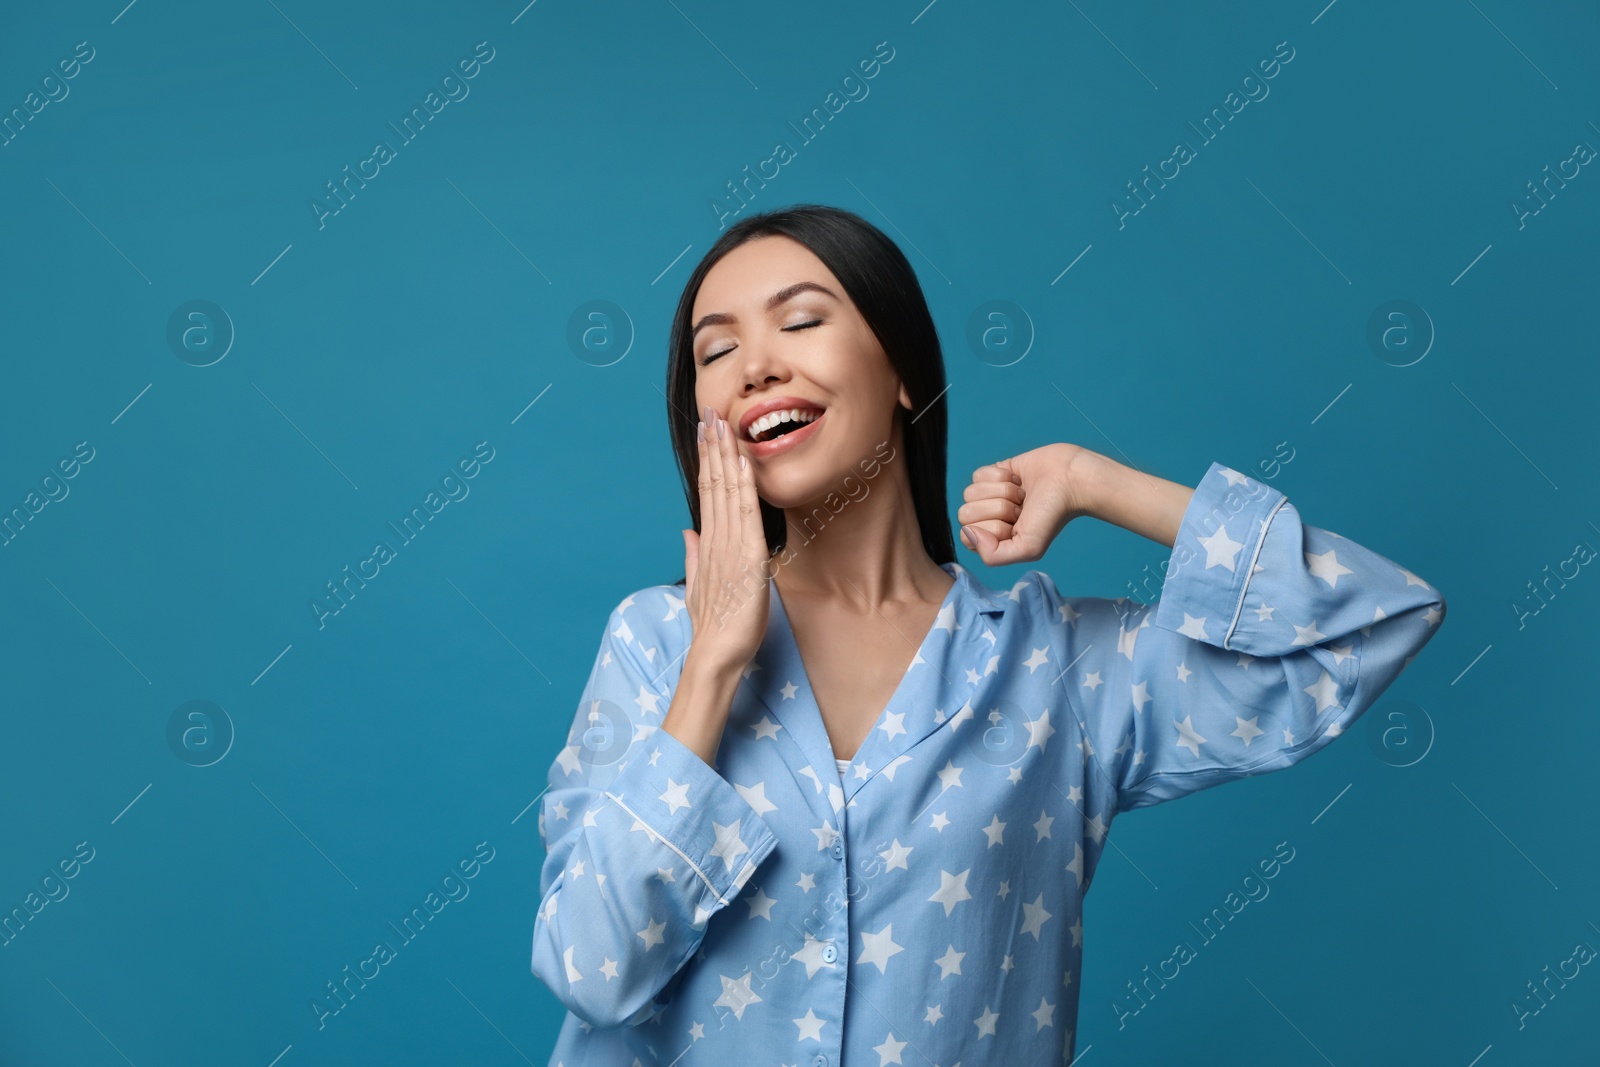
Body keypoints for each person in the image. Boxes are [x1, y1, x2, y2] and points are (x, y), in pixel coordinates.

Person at [530, 204, 1446, 1065]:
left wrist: (1095, 480)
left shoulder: (1061, 670)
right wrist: (714, 663)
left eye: (800, 322)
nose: (753, 367)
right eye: (716, 348)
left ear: (904, 373)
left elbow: (1372, 619)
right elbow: (589, 970)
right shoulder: (657, 643)